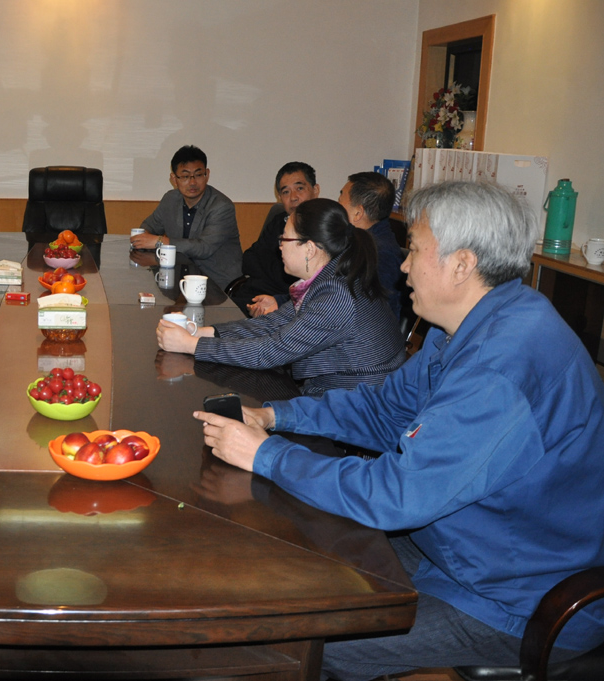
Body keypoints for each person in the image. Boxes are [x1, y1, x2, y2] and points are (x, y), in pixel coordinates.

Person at [195, 180, 604, 680]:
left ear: (462, 264)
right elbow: (385, 409)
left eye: (414, 250)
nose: (404, 266)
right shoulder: (465, 326)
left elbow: (398, 495)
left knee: (306, 638)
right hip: (460, 543)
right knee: (302, 552)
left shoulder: (502, 367)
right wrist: (277, 417)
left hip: (517, 595)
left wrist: (268, 456)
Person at [158, 198, 405, 397]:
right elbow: (271, 324)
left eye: (284, 239)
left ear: (309, 248)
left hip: (354, 410)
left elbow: (270, 351)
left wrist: (191, 345)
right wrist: (202, 332)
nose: (279, 246)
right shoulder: (329, 280)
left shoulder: (336, 295)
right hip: (339, 398)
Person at [130, 145, 243, 291]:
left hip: (217, 285)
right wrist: (144, 237)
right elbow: (149, 227)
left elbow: (204, 248)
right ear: (174, 179)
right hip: (179, 280)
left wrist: (160, 242)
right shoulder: (170, 199)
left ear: (207, 174)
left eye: (198, 175)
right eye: (185, 176)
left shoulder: (221, 206)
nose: (192, 182)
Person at [230, 162, 319, 316]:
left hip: (289, 303)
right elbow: (249, 259)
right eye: (286, 192)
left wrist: (272, 270)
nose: (293, 197)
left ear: (315, 190)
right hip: (255, 296)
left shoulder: (324, 228)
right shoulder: (279, 221)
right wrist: (281, 271)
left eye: (299, 188)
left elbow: (304, 279)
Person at [339, 171, 404, 319]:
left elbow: (369, 314)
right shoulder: (357, 239)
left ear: (358, 213)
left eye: (340, 201)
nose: (337, 208)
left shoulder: (381, 255)